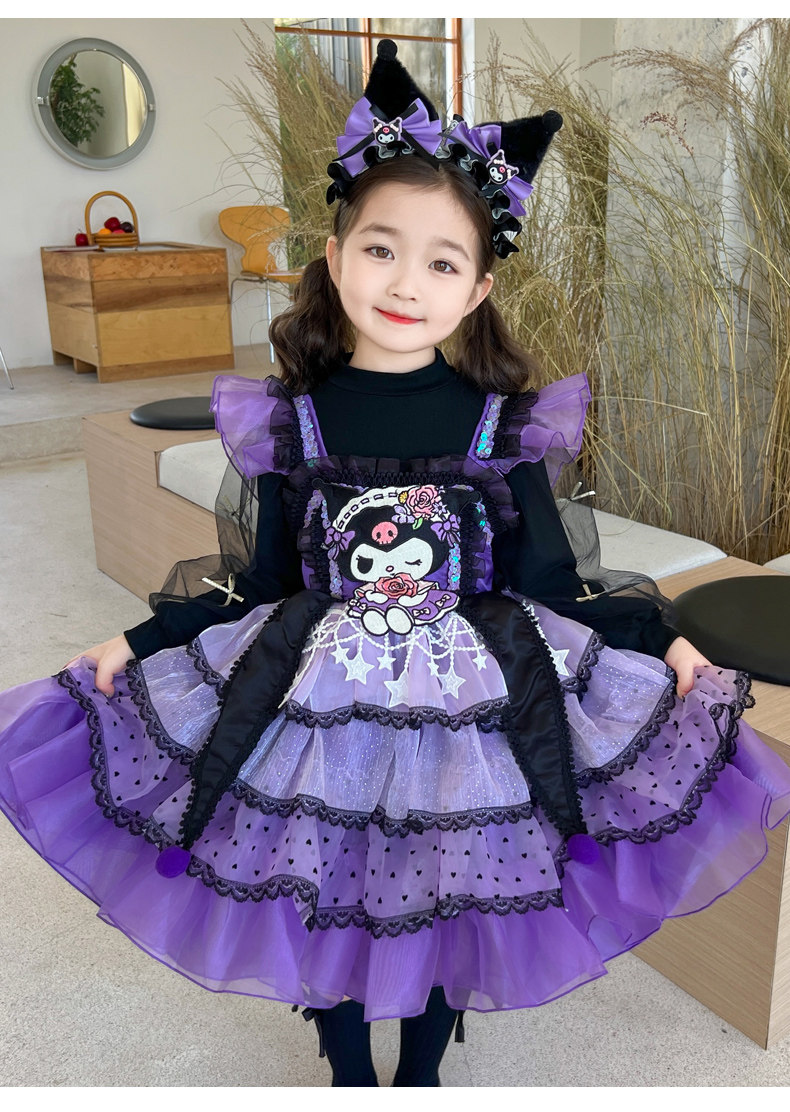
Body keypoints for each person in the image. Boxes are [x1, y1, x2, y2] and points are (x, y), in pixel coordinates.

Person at [1, 40, 789, 1088]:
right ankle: (343, 1061)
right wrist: (141, 639)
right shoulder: (291, 422)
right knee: (321, 880)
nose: (407, 282)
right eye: (381, 249)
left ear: (477, 290)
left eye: (442, 262)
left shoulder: (503, 428)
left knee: (444, 888)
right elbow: (261, 580)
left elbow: (553, 586)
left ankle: (418, 1072)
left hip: (472, 709)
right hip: (313, 701)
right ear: (334, 257)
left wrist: (667, 641)